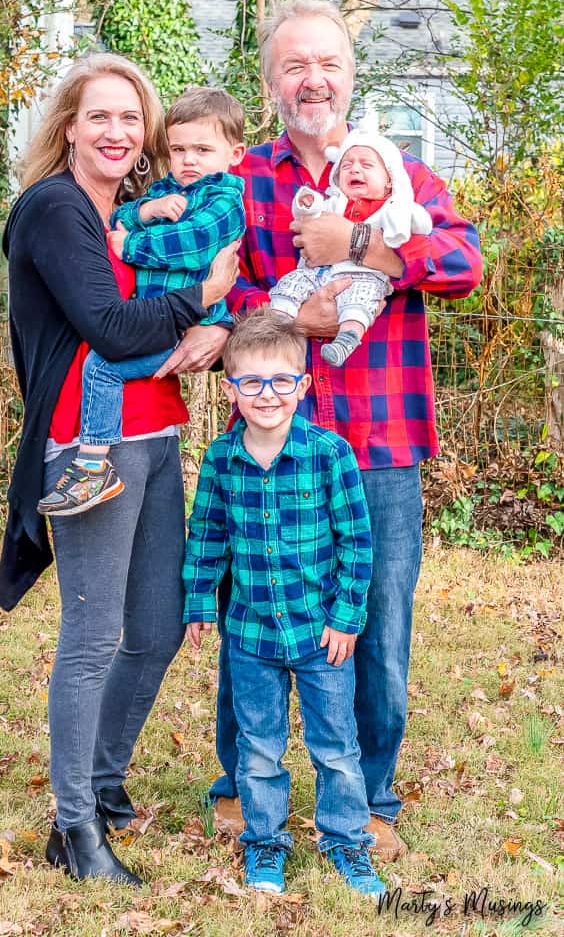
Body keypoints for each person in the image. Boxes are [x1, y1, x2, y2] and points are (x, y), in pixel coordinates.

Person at [210, 0, 483, 861]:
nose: (312, 80)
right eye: (293, 67)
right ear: (270, 85)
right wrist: (303, 321)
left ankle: (370, 796)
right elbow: (221, 297)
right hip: (268, 446)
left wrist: (357, 242)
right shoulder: (244, 180)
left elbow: (464, 261)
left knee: (374, 619)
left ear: (351, 74)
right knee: (248, 606)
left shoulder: (402, 175)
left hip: (379, 443)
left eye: (326, 63)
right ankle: (239, 780)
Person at [0, 53, 239, 883]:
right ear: (70, 125)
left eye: (132, 119)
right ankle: (73, 830)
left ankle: (99, 782)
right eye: (100, 116)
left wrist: (216, 318)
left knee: (161, 624)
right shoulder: (55, 209)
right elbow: (109, 326)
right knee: (94, 635)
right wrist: (200, 300)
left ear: (149, 137)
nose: (116, 131)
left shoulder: (132, 212)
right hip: (88, 446)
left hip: (156, 432)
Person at [183, 310, 385, 898]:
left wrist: (347, 617)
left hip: (322, 635)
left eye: (280, 381)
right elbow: (207, 533)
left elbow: (357, 542)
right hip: (250, 637)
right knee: (260, 748)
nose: (266, 395)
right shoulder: (222, 459)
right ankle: (265, 842)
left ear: (303, 384)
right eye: (251, 382)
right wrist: (198, 601)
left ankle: (347, 842)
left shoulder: (330, 455)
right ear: (230, 388)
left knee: (337, 748)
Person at [37, 86, 245, 517]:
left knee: (102, 367)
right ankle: (94, 465)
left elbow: (190, 244)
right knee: (105, 366)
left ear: (235, 153)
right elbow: (121, 215)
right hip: (158, 319)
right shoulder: (167, 189)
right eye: (179, 149)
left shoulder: (224, 200)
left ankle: (93, 465)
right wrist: (145, 215)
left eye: (203, 149)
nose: (189, 160)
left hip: (186, 325)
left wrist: (131, 244)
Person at [269, 121, 432, 366]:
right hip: (317, 272)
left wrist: (359, 240)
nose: (355, 170)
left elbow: (426, 229)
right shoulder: (335, 203)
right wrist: (306, 202)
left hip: (361, 275)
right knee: (291, 282)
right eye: (346, 166)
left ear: (390, 180)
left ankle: (348, 337)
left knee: (359, 300)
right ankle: (277, 325)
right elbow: (311, 214)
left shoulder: (392, 206)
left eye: (366, 165)